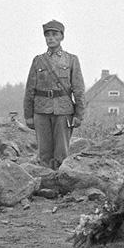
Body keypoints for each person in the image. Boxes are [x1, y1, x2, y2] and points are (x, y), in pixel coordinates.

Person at [23, 19, 86, 170]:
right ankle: (46, 185)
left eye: (54, 34)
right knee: (44, 153)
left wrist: (79, 114)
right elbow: (30, 89)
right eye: (47, 35)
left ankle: (60, 184)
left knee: (61, 152)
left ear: (61, 37)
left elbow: (78, 89)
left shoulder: (71, 60)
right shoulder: (38, 61)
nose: (50, 38)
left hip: (63, 111)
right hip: (41, 111)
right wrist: (28, 115)